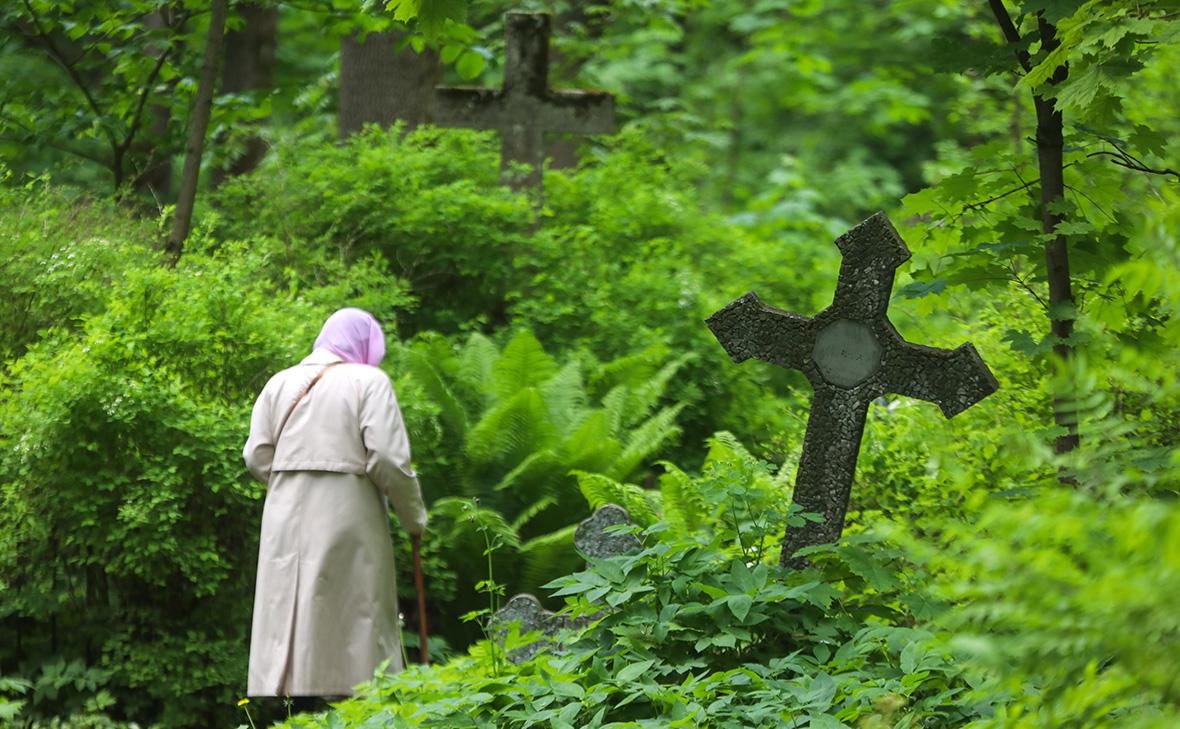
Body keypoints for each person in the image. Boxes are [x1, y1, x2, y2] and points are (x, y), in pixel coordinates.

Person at [243, 308, 426, 700]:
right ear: (366, 344)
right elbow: (390, 460)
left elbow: (256, 456)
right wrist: (414, 519)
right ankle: (357, 714)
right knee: (353, 618)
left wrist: (293, 479)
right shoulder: (369, 381)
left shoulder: (280, 383)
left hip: (285, 512)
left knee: (295, 613)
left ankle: (299, 709)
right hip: (350, 509)